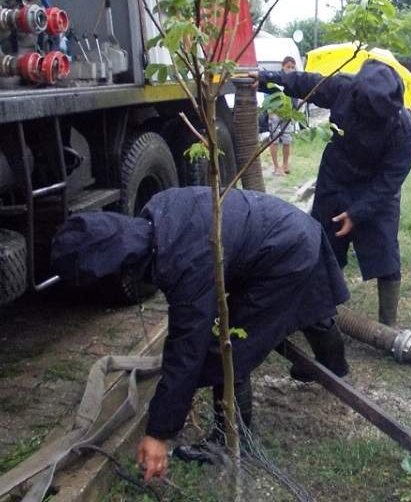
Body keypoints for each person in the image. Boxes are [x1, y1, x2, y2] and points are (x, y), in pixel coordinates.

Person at [51, 186, 350, 482]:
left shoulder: (187, 262)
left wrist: (158, 432)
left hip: (285, 249)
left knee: (226, 344)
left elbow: (187, 351)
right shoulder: (157, 210)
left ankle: (231, 439)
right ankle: (334, 364)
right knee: (302, 305)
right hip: (288, 225)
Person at [256, 59, 411, 326]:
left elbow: (391, 180)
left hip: (376, 188)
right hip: (337, 177)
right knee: (324, 247)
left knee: (385, 251)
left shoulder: (403, 128)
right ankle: (320, 309)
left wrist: (358, 213)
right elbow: (305, 82)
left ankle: (388, 327)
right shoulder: (344, 87)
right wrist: (263, 78)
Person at [267, 55, 298, 176]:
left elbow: (296, 97)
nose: (290, 69)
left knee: (287, 140)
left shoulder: (295, 79)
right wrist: (270, 111)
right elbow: (268, 93)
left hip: (287, 114)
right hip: (275, 112)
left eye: (292, 67)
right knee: (274, 139)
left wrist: (293, 112)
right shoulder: (277, 78)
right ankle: (276, 166)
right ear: (283, 67)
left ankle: (285, 165)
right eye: (288, 66)